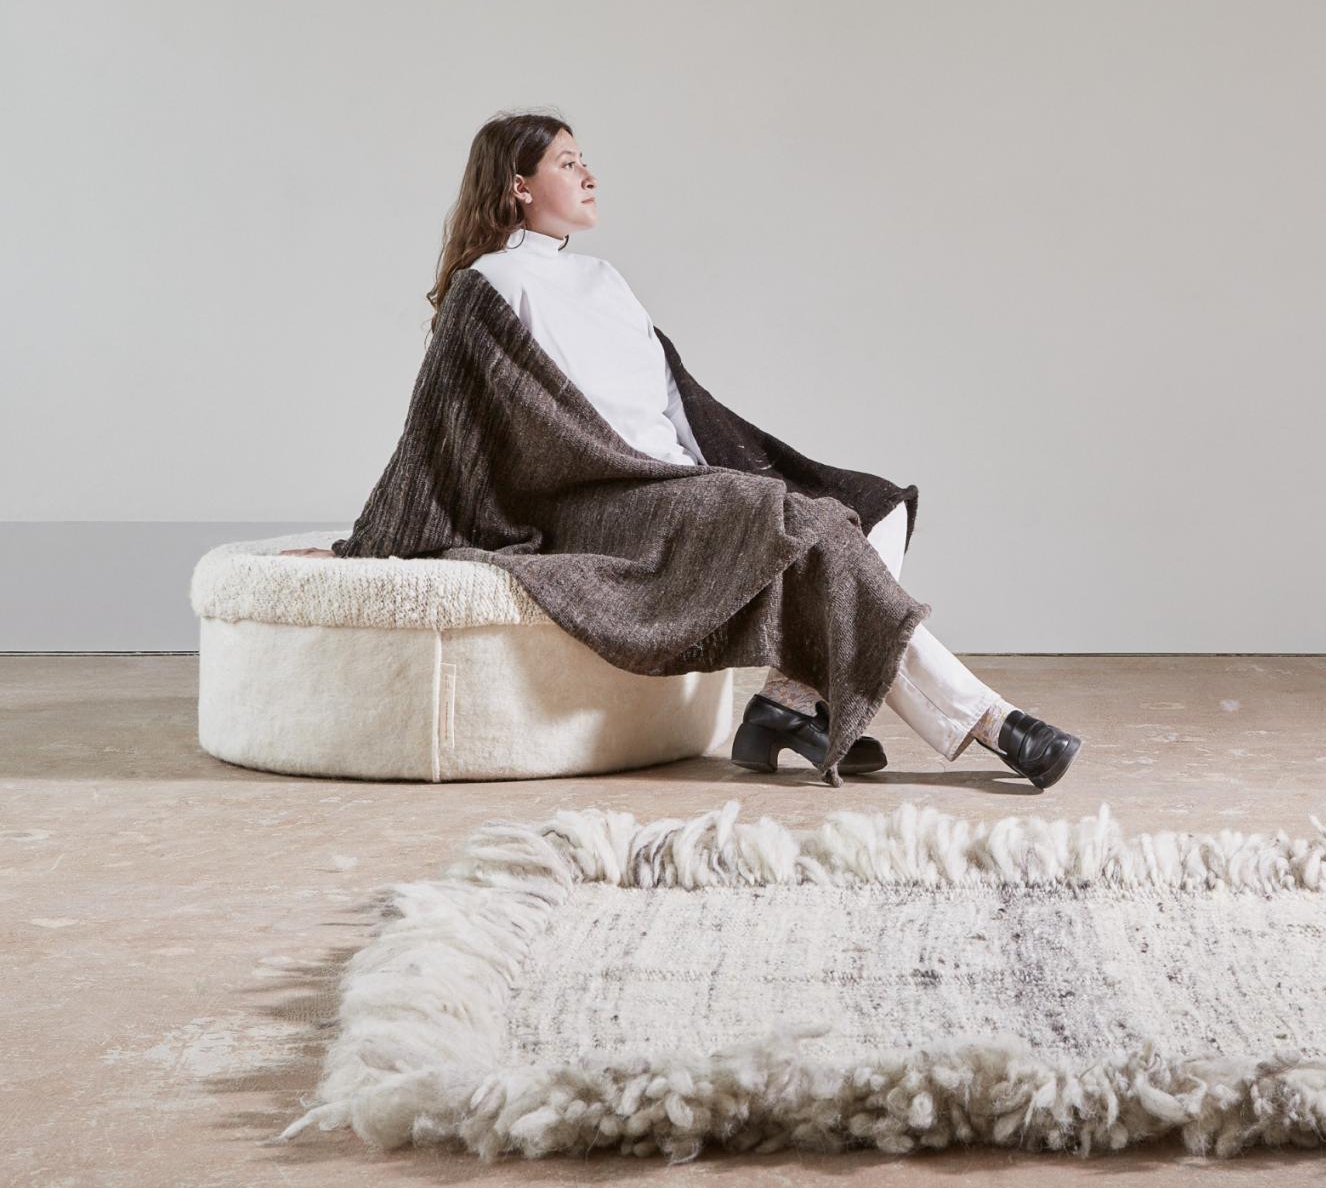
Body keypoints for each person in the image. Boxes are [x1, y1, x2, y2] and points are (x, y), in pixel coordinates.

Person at [284, 112, 1081, 789]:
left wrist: (731, 476)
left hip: (679, 482)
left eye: (585, 160)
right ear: (519, 185)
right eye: (567, 162)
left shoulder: (607, 280)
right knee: (792, 521)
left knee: (863, 507)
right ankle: (992, 724)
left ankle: (787, 707)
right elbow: (437, 430)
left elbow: (675, 403)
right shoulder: (489, 287)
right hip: (606, 501)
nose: (589, 174)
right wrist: (368, 544)